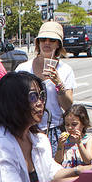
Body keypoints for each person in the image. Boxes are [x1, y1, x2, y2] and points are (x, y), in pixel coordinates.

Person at [17, 21, 76, 155]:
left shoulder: (65, 70)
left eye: (52, 40)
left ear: (58, 44)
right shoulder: (23, 68)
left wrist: (58, 83)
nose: (47, 43)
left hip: (53, 130)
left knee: (53, 174)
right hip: (28, 130)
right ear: (38, 43)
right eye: (43, 39)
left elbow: (68, 106)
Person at [55, 104, 92, 168]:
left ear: (83, 123)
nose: (70, 127)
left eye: (74, 124)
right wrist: (60, 145)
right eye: (67, 125)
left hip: (83, 173)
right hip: (68, 173)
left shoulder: (88, 140)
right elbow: (58, 161)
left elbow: (88, 160)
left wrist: (79, 143)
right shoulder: (65, 141)